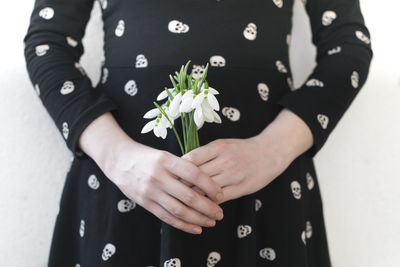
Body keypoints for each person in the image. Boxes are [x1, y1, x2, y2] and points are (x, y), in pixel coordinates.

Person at [23, 0, 373, 266]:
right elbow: (47, 44)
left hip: (266, 187)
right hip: (124, 186)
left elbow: (348, 46)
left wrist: (272, 149)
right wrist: (118, 157)